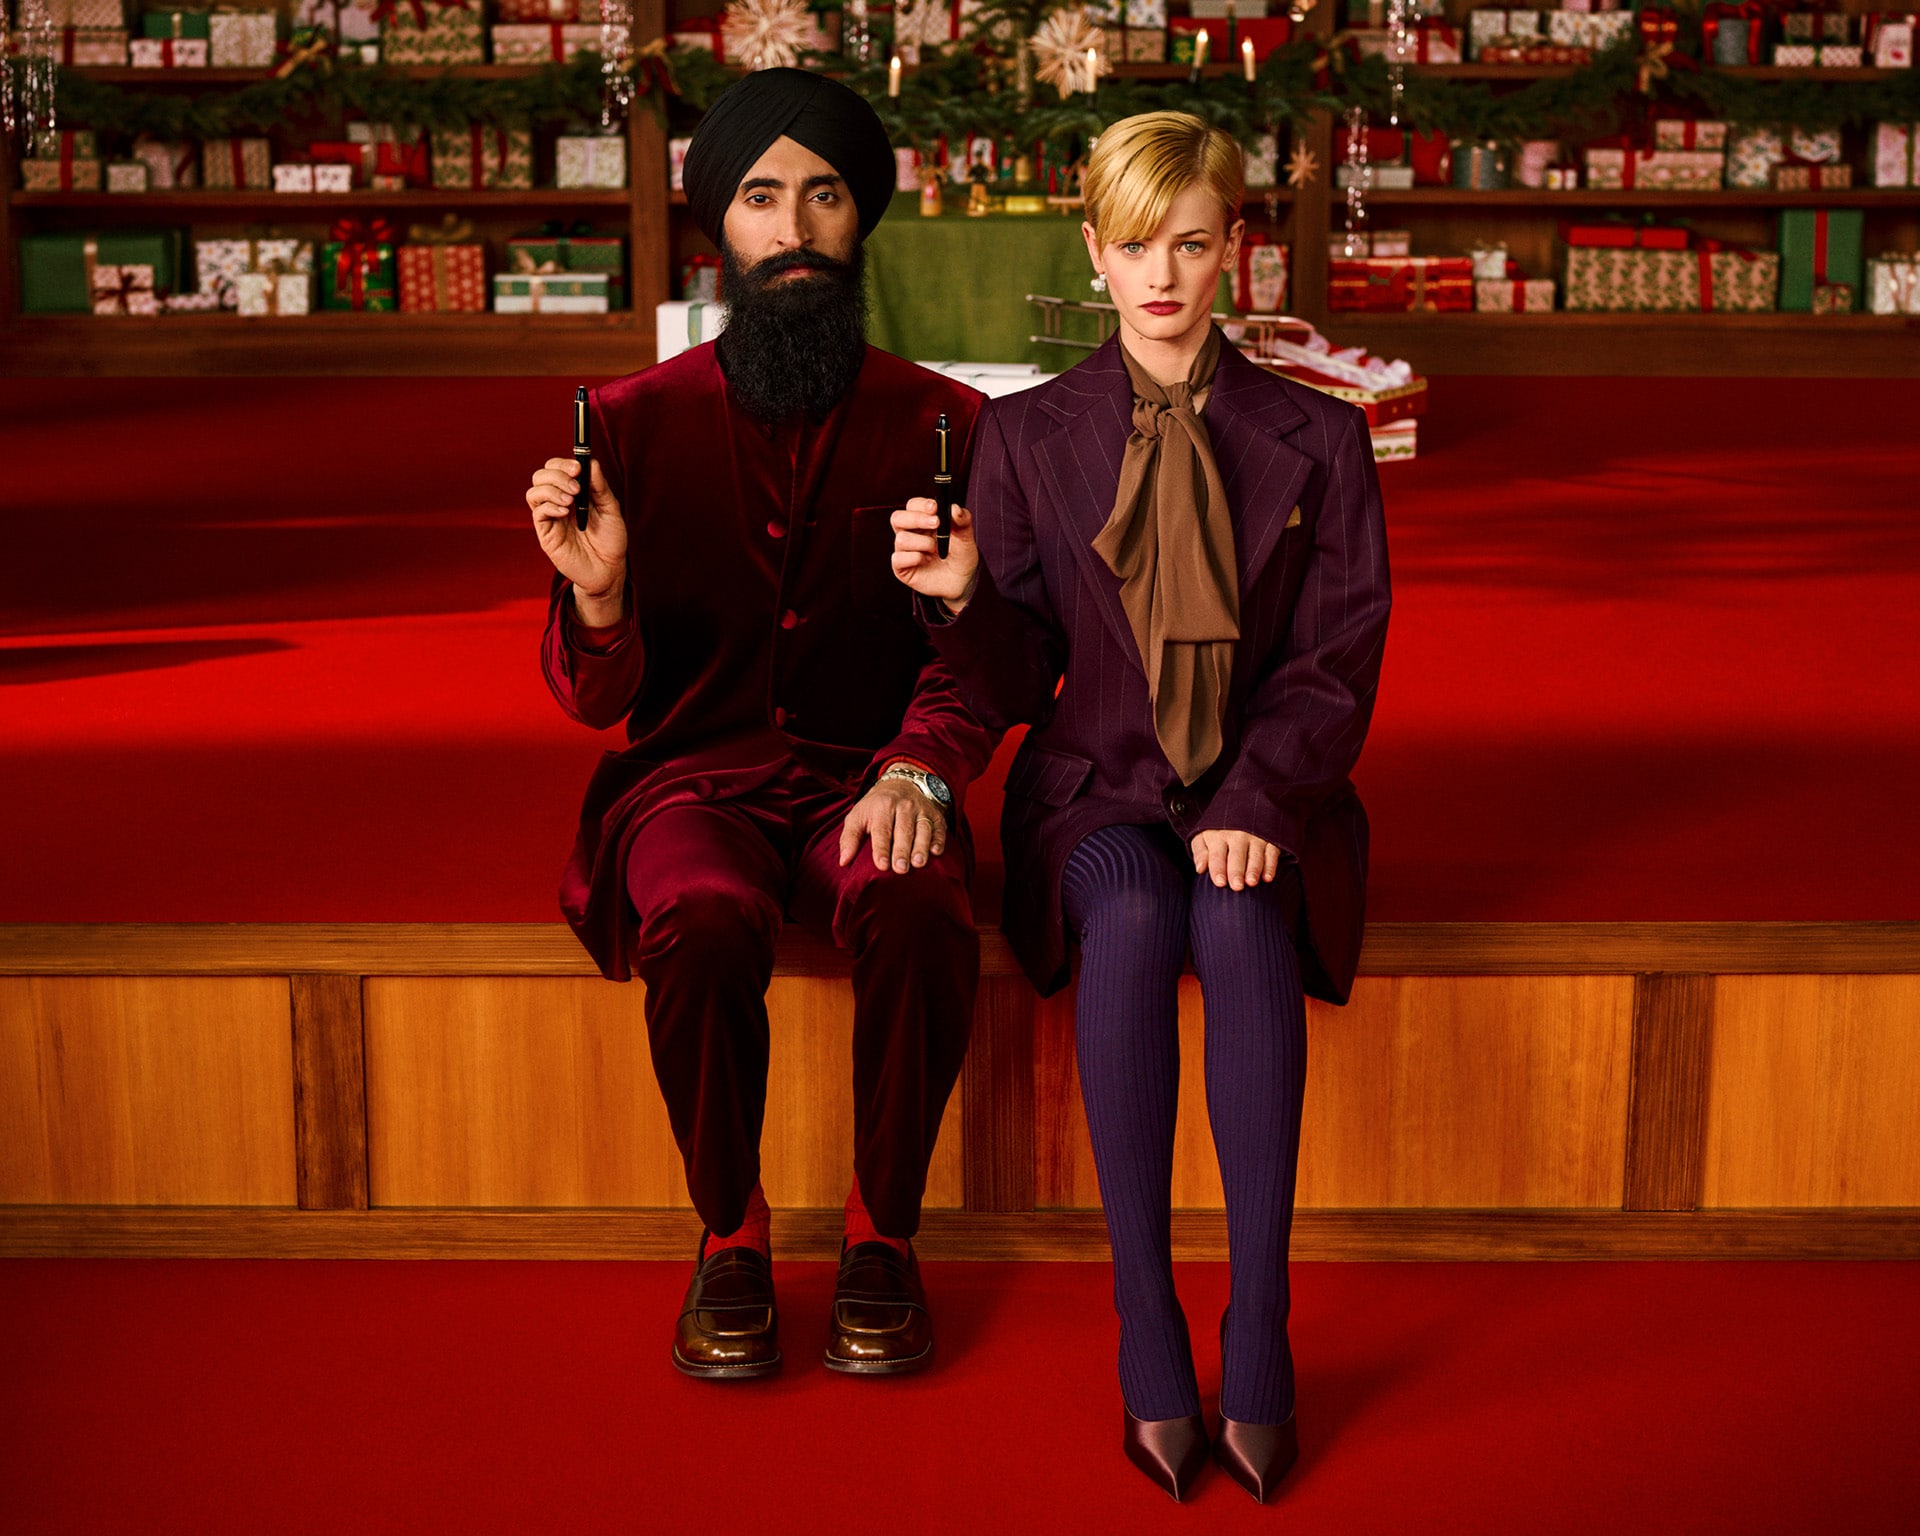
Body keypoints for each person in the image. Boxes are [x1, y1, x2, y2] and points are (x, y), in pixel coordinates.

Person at [891, 112, 1390, 1501]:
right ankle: (1149, 1326)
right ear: (1094, 253)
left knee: (1237, 924)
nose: (1162, 275)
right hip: (1096, 787)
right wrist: (963, 600)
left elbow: (1338, 657)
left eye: (1191, 242)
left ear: (1235, 248)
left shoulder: (1321, 438)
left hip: (1260, 790)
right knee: (1127, 917)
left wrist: (1260, 795)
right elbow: (1019, 677)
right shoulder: (1026, 434)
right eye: (1133, 245)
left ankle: (1263, 1328)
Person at [525, 67, 998, 1381]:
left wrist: (920, 770)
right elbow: (594, 699)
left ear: (863, 216)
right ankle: (728, 1229)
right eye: (761, 198)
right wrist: (599, 592)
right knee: (701, 914)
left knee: (920, 903)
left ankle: (883, 1233)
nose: (794, 228)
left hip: (871, 780)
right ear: (719, 227)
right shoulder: (627, 424)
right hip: (691, 785)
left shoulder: (950, 424)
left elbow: (986, 658)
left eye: (825, 195)